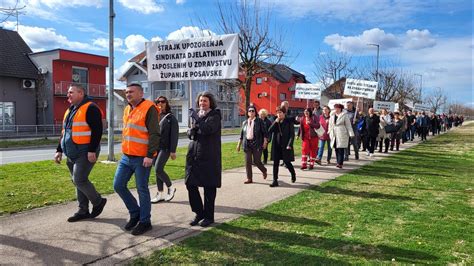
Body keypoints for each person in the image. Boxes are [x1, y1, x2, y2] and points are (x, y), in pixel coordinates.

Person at [54, 84, 107, 222]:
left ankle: (98, 201)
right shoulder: (70, 110)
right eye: (68, 92)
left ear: (81, 93)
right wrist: (59, 150)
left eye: (71, 92)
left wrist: (91, 150)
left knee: (79, 179)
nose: (68, 95)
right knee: (76, 181)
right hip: (71, 152)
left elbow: (97, 131)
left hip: (85, 151)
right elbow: (64, 132)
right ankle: (83, 210)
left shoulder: (91, 108)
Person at [113, 83, 160, 235]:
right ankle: (135, 213)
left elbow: (154, 134)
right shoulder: (127, 109)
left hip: (142, 158)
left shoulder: (149, 108)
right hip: (127, 157)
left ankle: (145, 221)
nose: (128, 94)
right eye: (126, 92)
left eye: (131, 92)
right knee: (118, 185)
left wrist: (150, 155)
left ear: (140, 93)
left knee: (142, 189)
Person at [186, 92, 222, 227]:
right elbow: (194, 134)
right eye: (200, 101)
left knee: (209, 188)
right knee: (190, 184)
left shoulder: (215, 115)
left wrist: (197, 119)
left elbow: (207, 129)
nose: (202, 103)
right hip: (194, 156)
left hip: (209, 157)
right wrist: (191, 130)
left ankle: (209, 216)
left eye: (205, 101)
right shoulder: (199, 116)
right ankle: (199, 213)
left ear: (210, 102)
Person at [150, 96, 179, 203]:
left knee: (158, 169)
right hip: (155, 148)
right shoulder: (155, 116)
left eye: (162, 102)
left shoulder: (171, 118)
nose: (160, 103)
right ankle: (160, 194)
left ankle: (170, 187)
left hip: (165, 148)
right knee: (157, 171)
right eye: (158, 102)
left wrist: (173, 151)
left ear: (166, 103)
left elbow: (174, 135)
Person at [237, 105, 268, 184]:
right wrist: (239, 145)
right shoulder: (244, 122)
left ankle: (264, 170)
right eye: (249, 111)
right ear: (247, 113)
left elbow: (265, 133)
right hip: (247, 144)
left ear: (255, 112)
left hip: (257, 144)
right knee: (248, 162)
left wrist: (265, 142)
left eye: (253, 111)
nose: (251, 112)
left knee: (257, 161)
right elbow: (241, 135)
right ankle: (249, 178)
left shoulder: (259, 121)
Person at [267, 106, 296, 187]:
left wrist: (289, 144)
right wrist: (276, 122)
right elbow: (269, 130)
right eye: (277, 112)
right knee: (275, 163)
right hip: (276, 145)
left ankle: (293, 173)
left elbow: (292, 135)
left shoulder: (289, 121)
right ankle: (275, 180)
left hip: (286, 145)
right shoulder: (275, 121)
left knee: (287, 162)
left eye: (280, 112)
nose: (278, 114)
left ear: (284, 113)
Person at [329, 104, 354, 168]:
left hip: (342, 132)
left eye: (337, 108)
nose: (336, 109)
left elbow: (348, 125)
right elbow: (330, 125)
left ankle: (340, 163)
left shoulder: (344, 115)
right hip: (334, 133)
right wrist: (329, 132)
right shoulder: (332, 115)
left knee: (341, 148)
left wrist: (351, 133)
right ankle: (338, 161)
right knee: (336, 148)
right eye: (335, 108)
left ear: (340, 109)